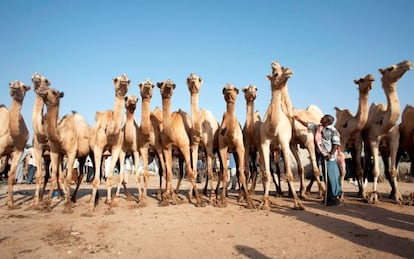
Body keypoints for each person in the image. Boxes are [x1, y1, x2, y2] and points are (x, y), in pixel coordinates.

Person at [295, 114, 342, 206]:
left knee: (332, 177)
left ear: (328, 121)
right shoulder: (318, 128)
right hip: (323, 157)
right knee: (326, 177)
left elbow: (336, 144)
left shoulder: (333, 131)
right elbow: (308, 124)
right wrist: (298, 119)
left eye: (324, 118)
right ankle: (328, 198)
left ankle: (335, 197)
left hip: (330, 158)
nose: (321, 118)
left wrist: (330, 154)